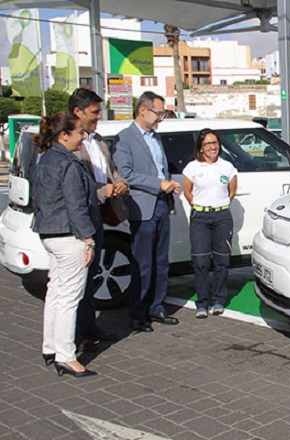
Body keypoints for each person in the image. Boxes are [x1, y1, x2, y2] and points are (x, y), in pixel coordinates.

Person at [31, 111, 100, 378]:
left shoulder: (45, 159)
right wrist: (88, 239)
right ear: (63, 135)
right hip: (69, 236)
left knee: (56, 292)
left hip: (49, 233)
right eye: (79, 132)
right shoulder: (68, 163)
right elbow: (76, 205)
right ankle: (66, 355)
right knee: (70, 297)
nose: (83, 137)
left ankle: (50, 347)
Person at [113, 92, 181, 333]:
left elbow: (161, 168)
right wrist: (159, 184)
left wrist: (167, 185)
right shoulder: (125, 138)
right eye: (158, 113)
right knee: (143, 263)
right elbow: (126, 174)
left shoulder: (156, 137)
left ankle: (156, 306)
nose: (160, 118)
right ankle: (138, 313)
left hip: (162, 204)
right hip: (142, 207)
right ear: (143, 110)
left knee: (161, 261)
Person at [68, 88, 129, 350]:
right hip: (79, 220)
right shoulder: (69, 145)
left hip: (99, 215)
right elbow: (74, 186)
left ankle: (89, 327)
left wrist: (120, 184)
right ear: (77, 112)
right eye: (94, 112)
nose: (98, 117)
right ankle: (74, 337)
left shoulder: (99, 140)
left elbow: (111, 170)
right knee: (76, 281)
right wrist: (104, 191)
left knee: (91, 275)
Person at [182, 129, 237, 318]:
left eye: (215, 143)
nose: (212, 147)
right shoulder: (192, 168)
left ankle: (219, 300)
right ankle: (202, 303)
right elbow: (188, 192)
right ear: (201, 148)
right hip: (200, 218)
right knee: (201, 261)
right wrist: (201, 206)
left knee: (222, 260)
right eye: (207, 144)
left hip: (222, 216)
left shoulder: (227, 167)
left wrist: (219, 206)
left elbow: (231, 192)